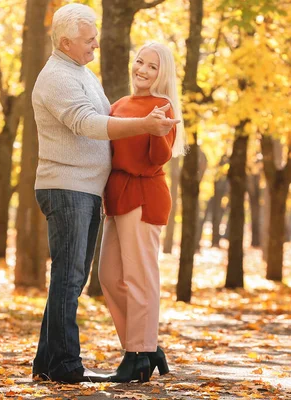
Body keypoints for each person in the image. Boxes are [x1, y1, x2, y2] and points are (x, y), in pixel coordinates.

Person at [31, 4, 179, 384]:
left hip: (101, 193)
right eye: (88, 38)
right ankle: (65, 365)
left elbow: (156, 147)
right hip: (70, 187)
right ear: (65, 41)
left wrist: (151, 126)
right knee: (78, 277)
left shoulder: (82, 73)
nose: (96, 42)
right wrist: (142, 124)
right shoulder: (59, 78)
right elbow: (86, 122)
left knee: (77, 278)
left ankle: (59, 361)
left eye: (95, 35)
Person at [98, 42, 186, 383]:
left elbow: (158, 157)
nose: (143, 70)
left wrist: (158, 130)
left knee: (140, 278)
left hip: (143, 195)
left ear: (161, 74)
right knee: (108, 276)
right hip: (116, 197)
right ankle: (146, 347)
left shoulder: (163, 106)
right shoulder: (118, 105)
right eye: (140, 62)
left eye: (152, 67)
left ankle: (137, 352)